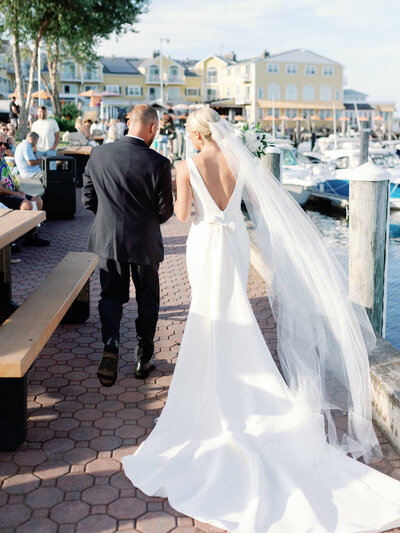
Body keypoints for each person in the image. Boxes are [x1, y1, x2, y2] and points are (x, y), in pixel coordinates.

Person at [122, 108, 400, 532]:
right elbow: (252, 207)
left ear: (196, 135)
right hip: (232, 241)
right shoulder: (240, 162)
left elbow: (181, 216)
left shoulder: (186, 165)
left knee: (210, 315)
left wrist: (192, 198)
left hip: (205, 243)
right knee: (236, 308)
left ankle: (215, 387)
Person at [82, 104, 173, 386]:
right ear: (152, 128)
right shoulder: (159, 163)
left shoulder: (98, 154)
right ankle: (143, 358)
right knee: (147, 299)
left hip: (108, 239)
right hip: (144, 242)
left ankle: (111, 345)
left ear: (128, 123)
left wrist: (110, 218)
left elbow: (88, 198)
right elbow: (165, 211)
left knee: (111, 296)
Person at [0, 132, 48, 246]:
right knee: (27, 205)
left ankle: (31, 237)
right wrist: (17, 195)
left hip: (11, 192)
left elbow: (10, 178)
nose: (3, 147)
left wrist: (18, 190)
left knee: (38, 201)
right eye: (0, 144)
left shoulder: (2, 159)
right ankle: (13, 241)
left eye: (5, 145)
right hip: (2, 195)